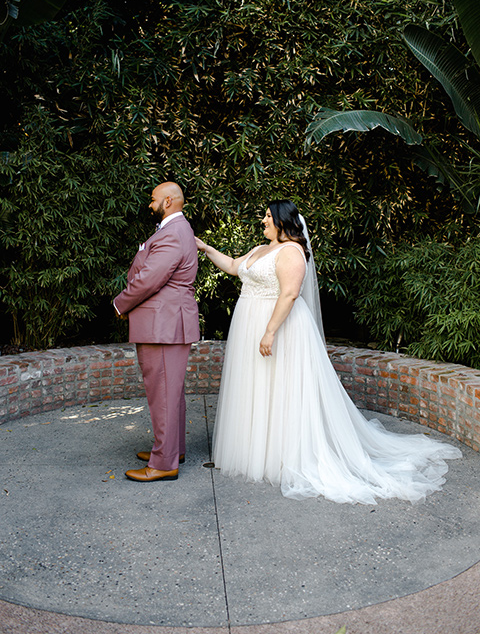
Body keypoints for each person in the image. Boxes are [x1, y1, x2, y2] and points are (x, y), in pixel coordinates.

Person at [195, 200, 461, 503]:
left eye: (268, 217)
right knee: (258, 387)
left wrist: (269, 331)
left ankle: (284, 455)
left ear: (283, 221)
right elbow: (232, 266)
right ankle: (259, 450)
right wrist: (204, 247)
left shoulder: (292, 252)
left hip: (281, 329)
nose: (263, 221)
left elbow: (290, 293)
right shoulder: (259, 250)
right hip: (249, 325)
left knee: (281, 390)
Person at [114, 182, 199, 482]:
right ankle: (172, 449)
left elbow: (150, 278)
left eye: (153, 200)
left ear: (167, 201)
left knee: (162, 392)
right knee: (170, 392)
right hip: (166, 322)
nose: (149, 204)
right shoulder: (177, 230)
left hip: (163, 324)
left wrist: (120, 303)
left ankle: (164, 463)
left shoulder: (173, 232)